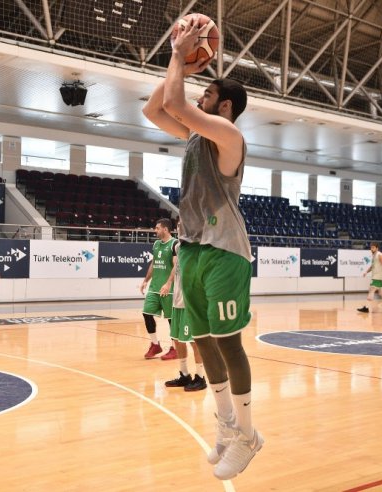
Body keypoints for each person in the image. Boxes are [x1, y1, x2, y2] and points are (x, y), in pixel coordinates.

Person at [142, 16, 263, 480]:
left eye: (207, 95)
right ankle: (227, 428)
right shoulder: (195, 136)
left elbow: (173, 101)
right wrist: (184, 68)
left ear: (225, 105)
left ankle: (249, 436)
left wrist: (179, 56)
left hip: (225, 250)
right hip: (191, 247)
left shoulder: (229, 137)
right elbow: (155, 111)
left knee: (228, 343)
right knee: (202, 339)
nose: (198, 99)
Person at [164, 237, 207, 391]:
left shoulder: (198, 248)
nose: (180, 227)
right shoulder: (178, 247)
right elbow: (176, 267)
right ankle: (184, 374)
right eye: (179, 225)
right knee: (177, 339)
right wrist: (168, 282)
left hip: (190, 302)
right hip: (177, 301)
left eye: (183, 225)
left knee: (194, 341)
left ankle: (200, 377)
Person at [139, 218, 177, 359]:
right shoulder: (156, 244)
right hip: (154, 287)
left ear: (165, 229)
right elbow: (154, 264)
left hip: (169, 289)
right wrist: (145, 281)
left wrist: (168, 284)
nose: (155, 230)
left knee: (171, 319)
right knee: (146, 313)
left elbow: (176, 266)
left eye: (157, 228)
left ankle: (175, 348)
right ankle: (155, 345)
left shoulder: (174, 244)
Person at [357, 242, 382, 314]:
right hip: (377, 277)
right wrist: (366, 272)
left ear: (377, 248)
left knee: (371, 290)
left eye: (373, 247)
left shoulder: (380, 255)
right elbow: (372, 266)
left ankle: (366, 308)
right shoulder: (374, 256)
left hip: (377, 277)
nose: (371, 249)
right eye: (371, 247)